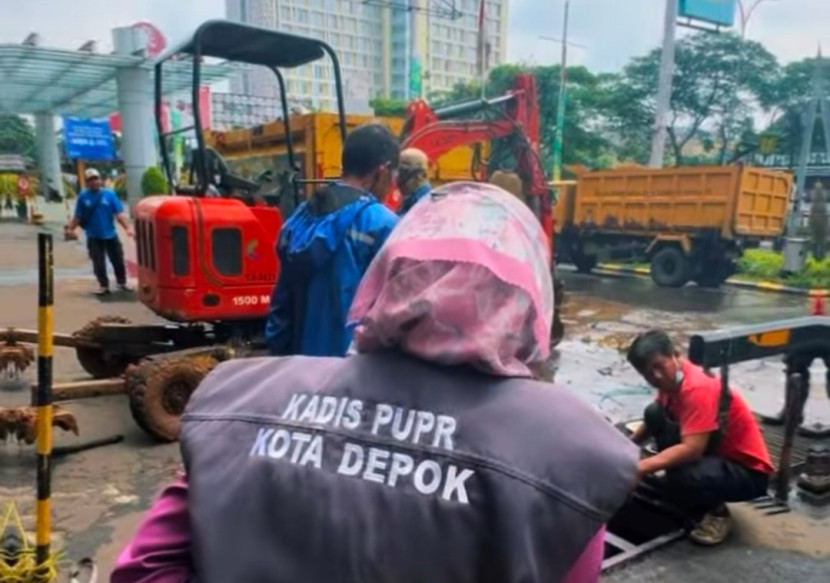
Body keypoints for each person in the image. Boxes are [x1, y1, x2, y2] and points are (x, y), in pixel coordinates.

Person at [112, 181, 638, 583]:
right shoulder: (571, 455)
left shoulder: (238, 395)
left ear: (389, 274)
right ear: (530, 300)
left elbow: (143, 569)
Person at [627, 330, 774, 546]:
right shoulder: (670, 382)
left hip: (748, 472)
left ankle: (718, 514)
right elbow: (655, 417)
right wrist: (626, 445)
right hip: (716, 452)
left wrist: (642, 468)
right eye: (648, 373)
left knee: (683, 472)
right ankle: (687, 488)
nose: (656, 376)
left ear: (675, 355)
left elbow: (692, 450)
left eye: (660, 366)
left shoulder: (696, 387)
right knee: (654, 412)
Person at [265, 122, 400, 357]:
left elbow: (280, 308)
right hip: (351, 376)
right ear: (383, 170)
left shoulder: (299, 218)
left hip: (299, 373)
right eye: (393, 176)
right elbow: (392, 316)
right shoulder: (382, 224)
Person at [64, 167, 133, 296]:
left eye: (96, 179)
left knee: (118, 259)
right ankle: (103, 285)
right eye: (91, 180)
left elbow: (119, 214)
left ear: (100, 180)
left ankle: (121, 282)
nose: (94, 182)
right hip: (94, 236)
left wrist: (128, 228)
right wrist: (70, 228)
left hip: (110, 234)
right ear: (87, 182)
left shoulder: (110, 194)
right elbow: (78, 216)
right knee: (98, 263)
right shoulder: (83, 197)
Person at [396, 148, 432, 215]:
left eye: (402, 171)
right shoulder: (407, 201)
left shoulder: (425, 204)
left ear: (420, 175)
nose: (397, 177)